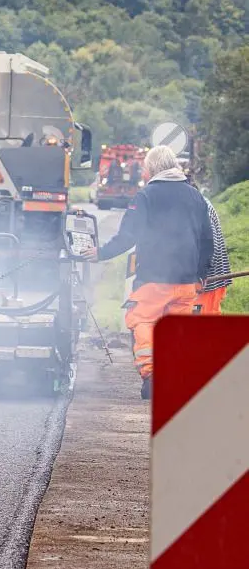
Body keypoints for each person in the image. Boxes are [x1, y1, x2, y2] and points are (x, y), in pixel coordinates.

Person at [88, 144, 214, 399]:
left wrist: (100, 253)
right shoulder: (195, 196)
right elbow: (206, 239)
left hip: (154, 278)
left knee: (144, 321)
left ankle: (152, 376)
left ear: (152, 168)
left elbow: (128, 236)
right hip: (187, 280)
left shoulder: (146, 196)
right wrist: (202, 272)